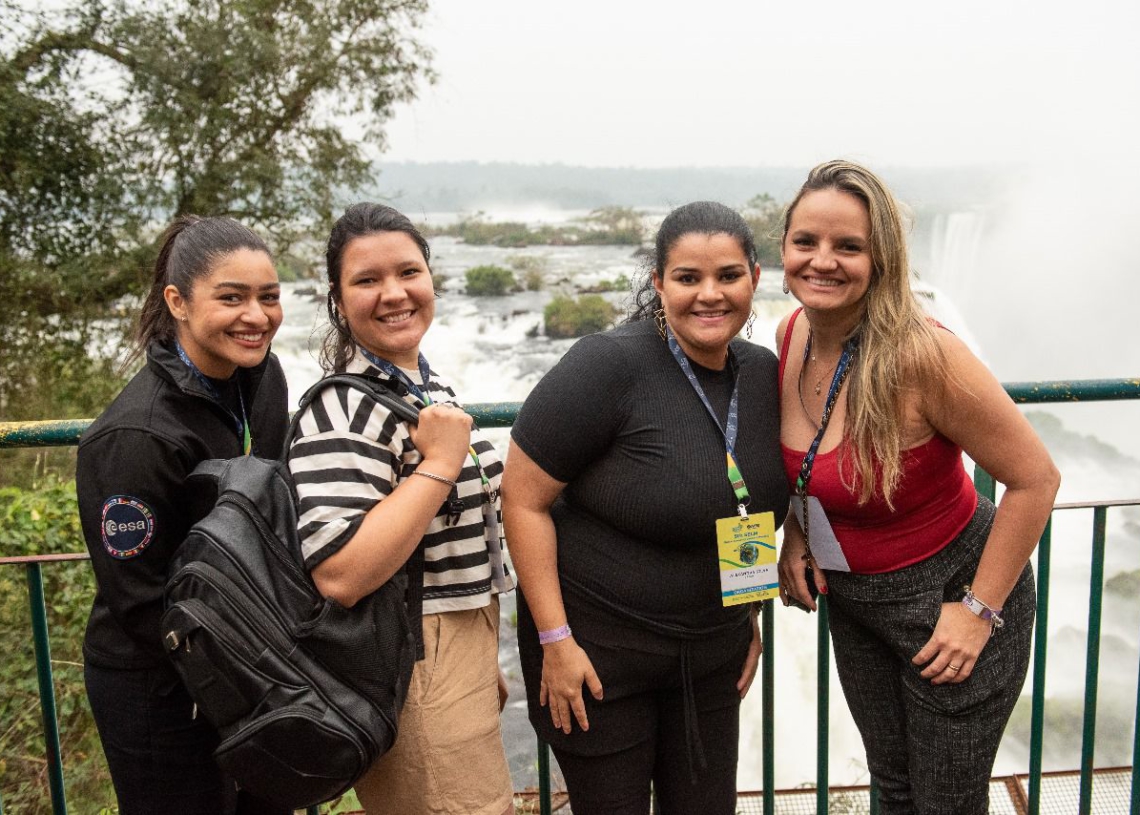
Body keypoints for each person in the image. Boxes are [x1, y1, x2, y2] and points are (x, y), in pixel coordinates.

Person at [775, 160, 1060, 815]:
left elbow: (1036, 478)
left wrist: (979, 612)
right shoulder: (789, 335)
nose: (823, 260)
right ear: (784, 247)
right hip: (856, 605)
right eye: (806, 241)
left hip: (954, 601)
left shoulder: (924, 356)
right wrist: (794, 532)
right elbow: (811, 462)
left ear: (882, 259)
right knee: (894, 786)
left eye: (848, 246)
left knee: (946, 803)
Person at [502, 201, 789, 815]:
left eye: (728, 276)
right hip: (597, 666)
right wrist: (556, 642)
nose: (709, 295)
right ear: (658, 283)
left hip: (712, 661)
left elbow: (750, 507)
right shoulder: (609, 365)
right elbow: (522, 500)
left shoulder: (762, 374)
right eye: (687, 278)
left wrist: (747, 618)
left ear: (755, 279)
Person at [285, 202, 515, 815]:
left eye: (409, 272)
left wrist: (479, 655)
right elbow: (339, 572)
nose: (394, 293)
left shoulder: (420, 385)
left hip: (452, 648)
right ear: (337, 299)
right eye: (367, 280)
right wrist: (440, 464)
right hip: (413, 659)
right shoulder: (342, 409)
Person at [77, 216, 289, 814]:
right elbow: (142, 602)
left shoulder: (262, 377)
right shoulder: (137, 436)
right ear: (178, 302)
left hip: (251, 667)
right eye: (232, 297)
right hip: (158, 690)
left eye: (268, 296)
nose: (257, 315)